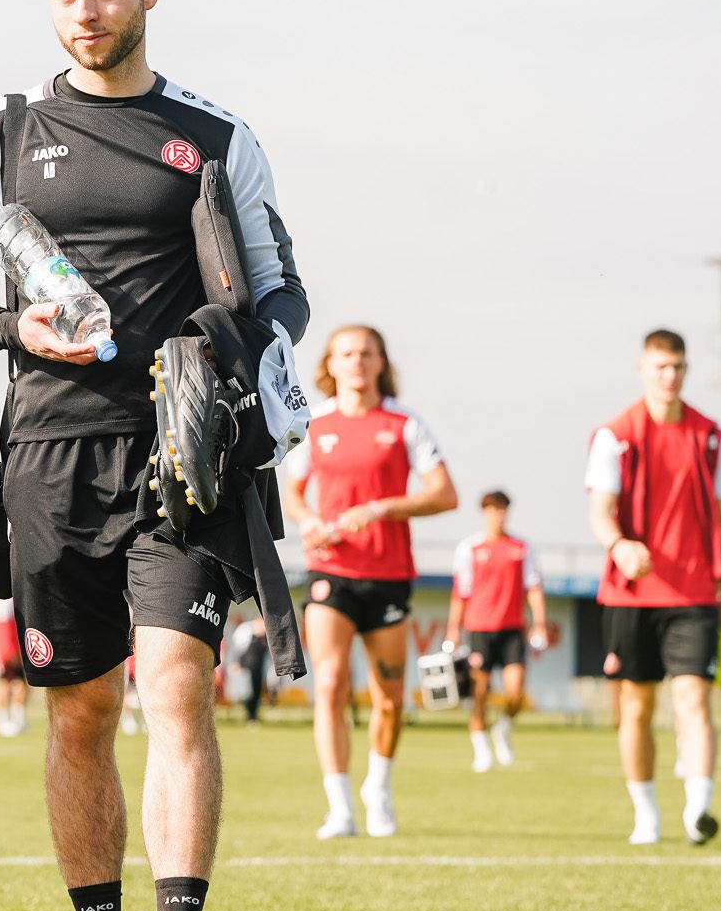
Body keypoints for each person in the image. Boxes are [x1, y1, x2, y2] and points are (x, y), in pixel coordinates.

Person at [0, 0, 308, 911]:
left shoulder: (215, 139)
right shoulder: (0, 132)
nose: (84, 9)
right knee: (79, 710)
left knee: (176, 685)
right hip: (48, 456)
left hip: (181, 458)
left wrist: (226, 358)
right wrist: (9, 326)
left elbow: (283, 292)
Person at [284, 325, 456, 837]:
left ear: (382, 362)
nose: (357, 361)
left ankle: (377, 790)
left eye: (366, 353)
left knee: (389, 696)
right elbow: (292, 493)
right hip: (331, 573)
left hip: (388, 575)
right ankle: (339, 806)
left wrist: (382, 509)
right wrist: (308, 521)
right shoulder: (312, 422)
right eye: (347, 353)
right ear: (330, 364)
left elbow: (445, 495)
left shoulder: (404, 423)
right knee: (330, 684)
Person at [585, 329, 721, 846]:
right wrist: (619, 545)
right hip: (632, 594)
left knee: (693, 700)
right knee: (637, 707)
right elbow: (600, 512)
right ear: (643, 369)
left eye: (677, 367)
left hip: (695, 594)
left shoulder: (711, 436)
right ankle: (645, 814)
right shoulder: (615, 435)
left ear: (686, 370)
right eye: (660, 366)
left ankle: (698, 811)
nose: (669, 376)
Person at [444, 491, 548, 771]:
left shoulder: (522, 548)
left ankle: (503, 729)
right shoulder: (470, 548)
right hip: (479, 630)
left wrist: (539, 623)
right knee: (479, 692)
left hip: (512, 629)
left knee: (516, 692)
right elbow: (460, 593)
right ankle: (480, 748)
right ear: (484, 513)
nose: (498, 515)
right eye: (493, 510)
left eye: (502, 510)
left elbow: (534, 588)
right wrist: (453, 629)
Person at [0, 596, 27, 736]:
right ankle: (2, 722)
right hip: (6, 653)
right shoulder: (4, 602)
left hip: (15, 650)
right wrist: (8, 652)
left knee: (21, 686)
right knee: (4, 685)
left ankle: (19, 720)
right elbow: (2, 630)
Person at [226, 615, 270, 722]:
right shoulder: (245, 631)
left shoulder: (264, 637)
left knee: (257, 692)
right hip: (245, 667)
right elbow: (236, 649)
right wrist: (235, 663)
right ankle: (249, 715)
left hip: (258, 669)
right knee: (247, 693)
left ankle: (254, 715)